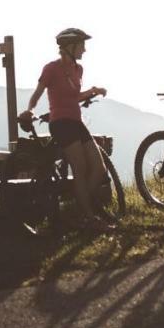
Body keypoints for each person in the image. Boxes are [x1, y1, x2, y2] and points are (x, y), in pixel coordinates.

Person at [19, 27, 112, 230]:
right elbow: (37, 94)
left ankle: (78, 209)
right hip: (61, 123)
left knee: (99, 168)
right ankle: (88, 218)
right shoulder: (51, 69)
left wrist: (92, 91)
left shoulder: (78, 70)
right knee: (80, 168)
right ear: (70, 46)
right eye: (82, 45)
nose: (85, 50)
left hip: (77, 122)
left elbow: (74, 97)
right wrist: (30, 110)